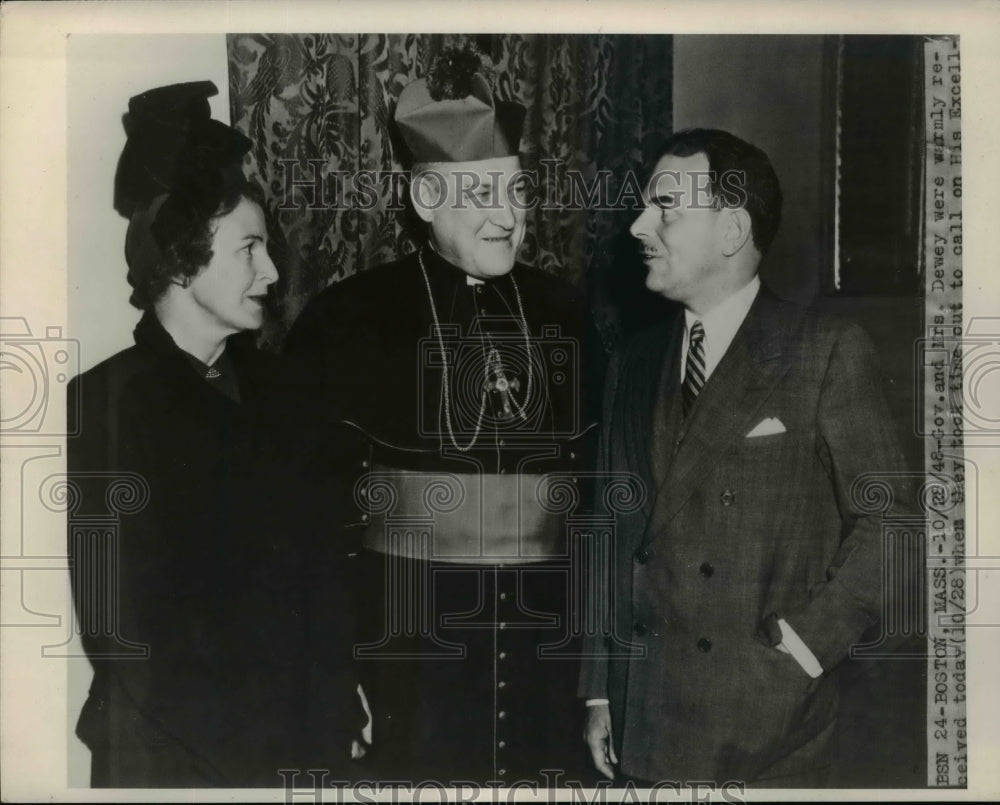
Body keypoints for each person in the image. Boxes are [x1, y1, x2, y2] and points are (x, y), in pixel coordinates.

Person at [285, 47, 600, 784]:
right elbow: (305, 522)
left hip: (549, 655)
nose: (509, 216)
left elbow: (599, 504)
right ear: (425, 198)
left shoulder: (566, 313)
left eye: (517, 190)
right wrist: (335, 669)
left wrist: (600, 675)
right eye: (482, 193)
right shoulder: (349, 319)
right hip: (407, 658)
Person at [579, 128, 915, 787]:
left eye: (665, 208)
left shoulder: (825, 350)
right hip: (644, 718)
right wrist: (600, 689)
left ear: (731, 229)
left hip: (769, 728)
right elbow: (610, 530)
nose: (640, 226)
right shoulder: (634, 360)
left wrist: (805, 648)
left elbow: (894, 523)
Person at [68, 82, 363, 787]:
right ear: (180, 258)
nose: (272, 271)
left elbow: (324, 568)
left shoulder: (287, 389)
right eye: (249, 249)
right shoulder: (109, 402)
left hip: (298, 738)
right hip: (173, 747)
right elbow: (122, 626)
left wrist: (340, 694)